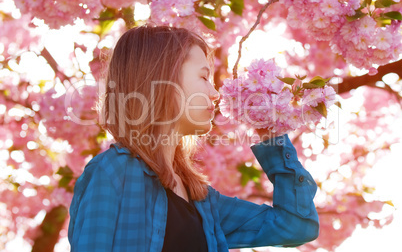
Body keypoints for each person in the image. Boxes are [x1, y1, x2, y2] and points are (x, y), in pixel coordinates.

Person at [68, 25, 319, 252]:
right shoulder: (113, 173)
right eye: (203, 77)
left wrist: (271, 135)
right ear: (163, 79)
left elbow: (296, 226)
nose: (215, 93)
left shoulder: (202, 200)